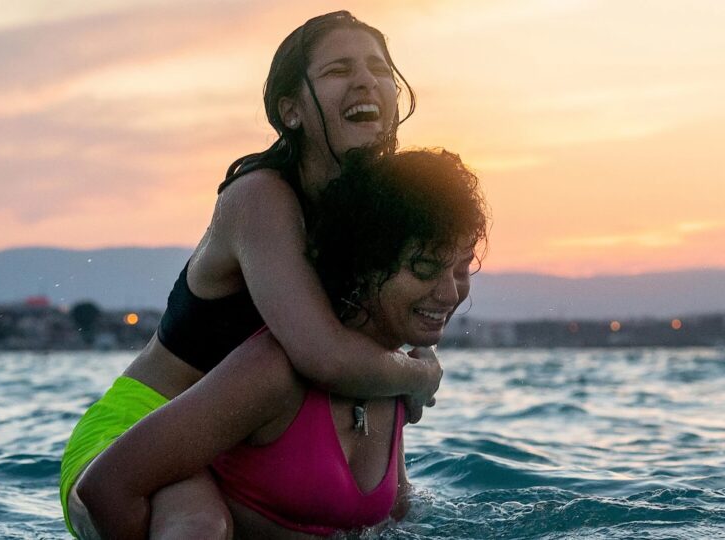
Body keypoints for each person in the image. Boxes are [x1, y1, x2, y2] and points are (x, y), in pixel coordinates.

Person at [59, 11, 456, 538]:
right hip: (140, 432)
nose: (365, 80)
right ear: (290, 111)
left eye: (379, 68)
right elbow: (324, 355)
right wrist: (420, 373)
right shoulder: (260, 199)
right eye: (339, 69)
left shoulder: (370, 212)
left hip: (244, 444)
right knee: (200, 523)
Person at [77, 148, 489, 538]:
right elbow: (106, 488)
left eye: (461, 268)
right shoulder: (272, 371)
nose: (450, 294)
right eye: (425, 269)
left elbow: (396, 521)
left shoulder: (392, 377)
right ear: (366, 265)